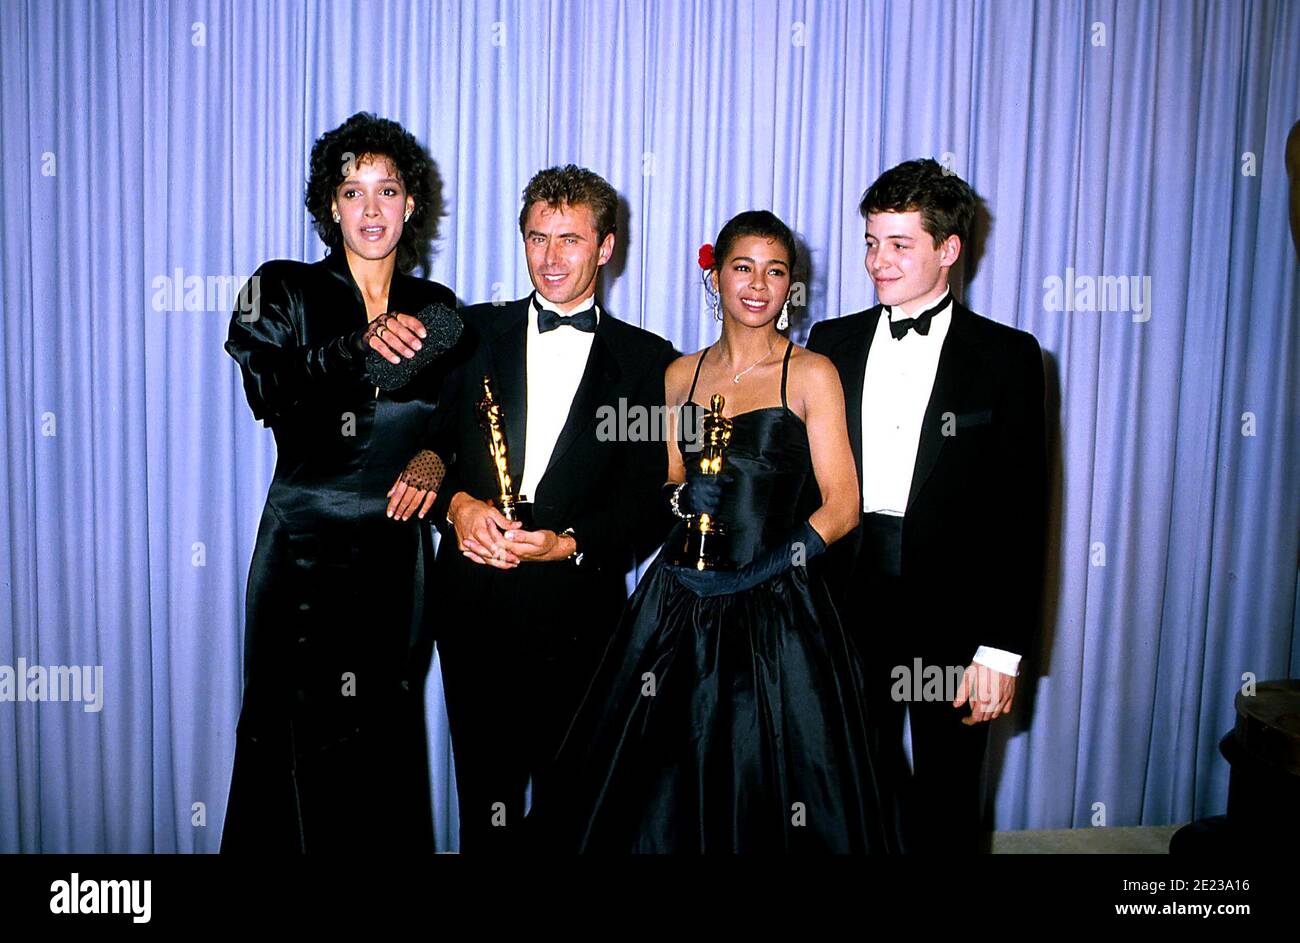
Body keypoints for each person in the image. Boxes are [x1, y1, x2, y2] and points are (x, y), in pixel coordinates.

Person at [530, 211, 902, 853]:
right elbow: (668, 485)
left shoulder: (811, 373)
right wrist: (679, 498)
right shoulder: (678, 375)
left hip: (780, 604)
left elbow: (843, 506)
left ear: (791, 287)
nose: (758, 285)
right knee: (660, 778)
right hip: (681, 595)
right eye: (743, 267)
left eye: (775, 271)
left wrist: (766, 569)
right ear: (715, 276)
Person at [386, 165, 678, 853]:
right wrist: (454, 506)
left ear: (605, 248)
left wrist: (568, 542)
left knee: (570, 808)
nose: (550, 257)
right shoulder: (469, 333)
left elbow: (649, 500)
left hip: (580, 617)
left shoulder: (647, 361)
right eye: (537, 237)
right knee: (483, 801)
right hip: (473, 608)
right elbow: (427, 448)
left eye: (570, 240)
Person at [222, 112, 455, 853]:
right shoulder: (280, 287)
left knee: (382, 736)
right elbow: (270, 391)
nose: (372, 208)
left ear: (411, 203)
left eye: (388, 190)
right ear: (330, 205)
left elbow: (459, 421)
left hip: (395, 552)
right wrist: (353, 347)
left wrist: (436, 461)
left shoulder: (439, 309)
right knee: (289, 734)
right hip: (303, 550)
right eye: (353, 192)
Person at [807, 158, 1047, 853]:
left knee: (947, 797)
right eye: (871, 242)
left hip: (955, 610)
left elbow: (1022, 512)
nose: (878, 262)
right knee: (854, 789)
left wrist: (1002, 649)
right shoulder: (831, 342)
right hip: (846, 602)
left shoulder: (1007, 356)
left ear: (948, 250)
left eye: (899, 244)